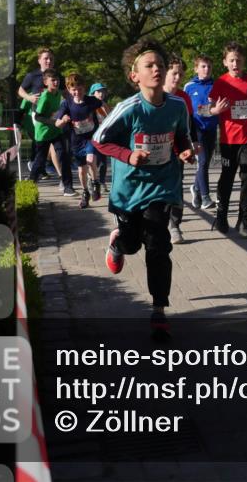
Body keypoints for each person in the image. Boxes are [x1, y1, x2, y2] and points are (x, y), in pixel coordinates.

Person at [91, 38, 197, 340]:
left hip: (162, 185)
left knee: (158, 244)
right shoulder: (129, 108)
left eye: (160, 65)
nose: (156, 70)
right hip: (129, 189)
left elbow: (181, 136)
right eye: (149, 65)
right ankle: (117, 243)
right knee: (133, 244)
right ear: (134, 75)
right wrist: (128, 155)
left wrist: (185, 150)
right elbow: (99, 140)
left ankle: (159, 311)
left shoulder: (177, 106)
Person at [209, 42, 247, 238]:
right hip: (228, 139)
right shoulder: (220, 83)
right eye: (231, 60)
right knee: (227, 176)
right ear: (225, 62)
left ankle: (244, 219)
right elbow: (208, 108)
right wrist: (216, 110)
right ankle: (221, 215)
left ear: (243, 62)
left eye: (238, 60)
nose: (235, 63)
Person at [55, 73, 104, 209]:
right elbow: (57, 123)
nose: (77, 92)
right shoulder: (67, 104)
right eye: (73, 89)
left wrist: (109, 118)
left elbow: (103, 105)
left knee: (91, 159)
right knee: (82, 170)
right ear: (69, 90)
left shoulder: (91, 100)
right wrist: (63, 121)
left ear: (84, 88)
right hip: (76, 141)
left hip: (91, 138)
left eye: (80, 89)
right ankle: (85, 192)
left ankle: (95, 183)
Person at [19, 47, 67, 183]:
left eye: (51, 58)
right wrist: (29, 98)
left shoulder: (58, 77)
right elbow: (20, 90)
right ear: (39, 60)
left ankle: (45, 171)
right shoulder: (32, 76)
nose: (49, 61)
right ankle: (45, 170)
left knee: (55, 147)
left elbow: (66, 93)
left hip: (54, 115)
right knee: (47, 145)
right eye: (46, 58)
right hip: (38, 115)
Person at [164, 55, 194, 243]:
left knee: (176, 185)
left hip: (177, 150)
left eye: (180, 75)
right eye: (174, 73)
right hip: (155, 149)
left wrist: (190, 146)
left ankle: (174, 225)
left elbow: (189, 125)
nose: (177, 78)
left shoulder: (183, 98)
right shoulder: (155, 93)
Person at [28, 69, 73, 195]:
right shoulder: (45, 97)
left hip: (56, 132)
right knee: (40, 161)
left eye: (57, 80)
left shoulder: (58, 94)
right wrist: (55, 122)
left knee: (64, 156)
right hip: (43, 134)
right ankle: (30, 183)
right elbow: (38, 117)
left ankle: (68, 187)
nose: (56, 82)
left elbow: (57, 111)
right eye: (53, 80)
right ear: (45, 82)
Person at [183, 55, 218, 211]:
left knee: (206, 163)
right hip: (197, 129)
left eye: (209, 66)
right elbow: (190, 109)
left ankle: (196, 188)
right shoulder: (189, 86)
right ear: (196, 68)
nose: (206, 69)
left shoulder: (216, 85)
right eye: (203, 66)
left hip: (211, 128)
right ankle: (205, 197)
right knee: (202, 162)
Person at [89, 83, 111, 195]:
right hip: (91, 137)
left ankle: (101, 182)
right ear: (93, 93)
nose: (101, 94)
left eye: (103, 91)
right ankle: (92, 180)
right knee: (93, 161)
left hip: (102, 138)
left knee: (103, 162)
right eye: (98, 91)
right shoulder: (88, 105)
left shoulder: (104, 105)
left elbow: (110, 118)